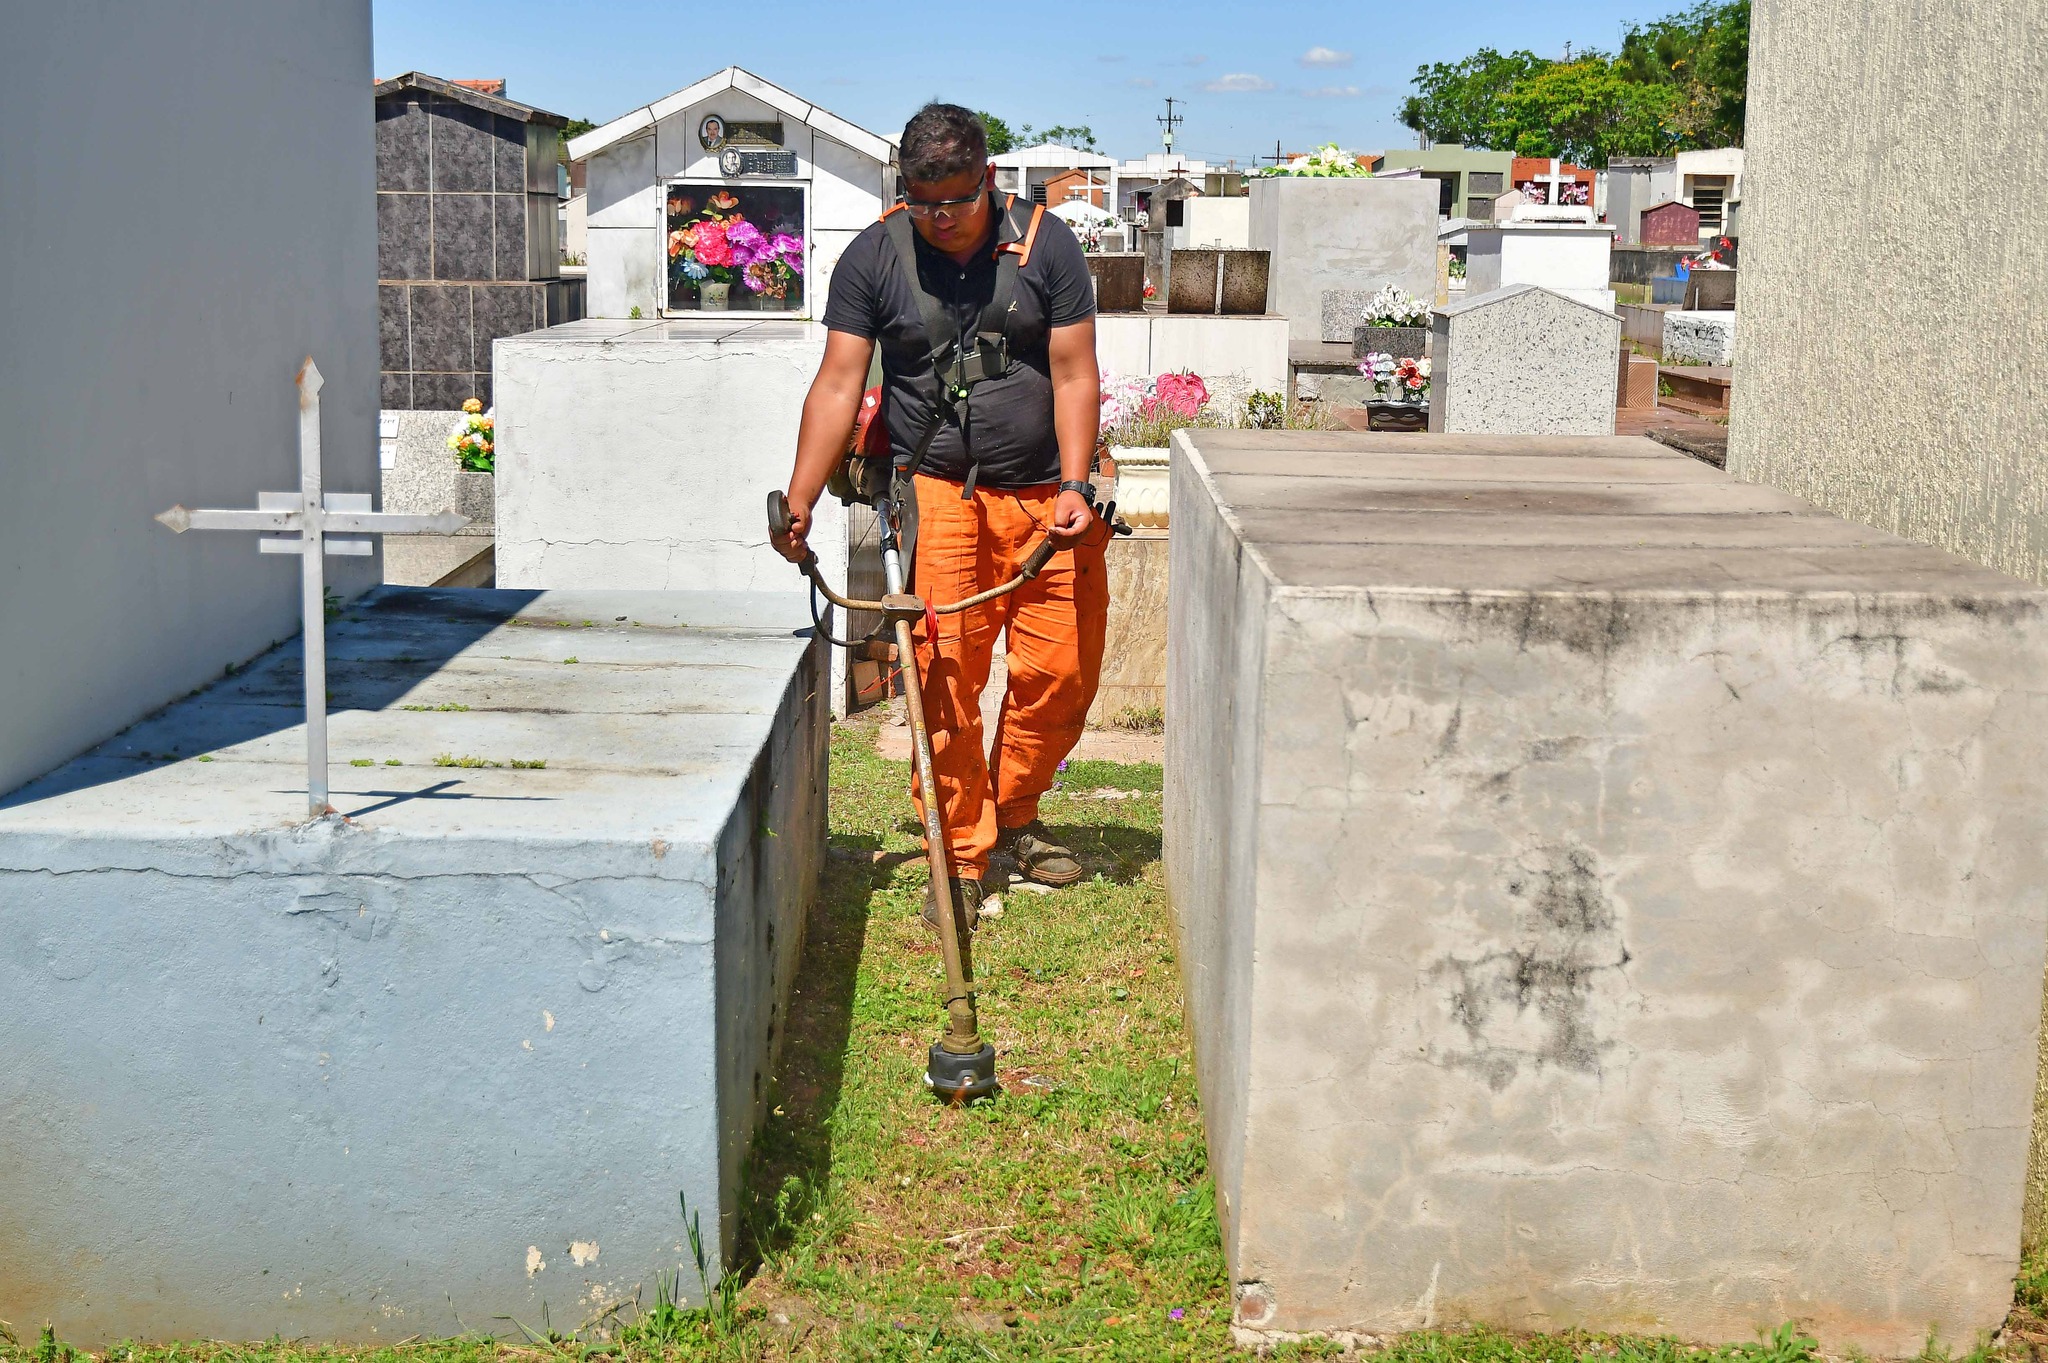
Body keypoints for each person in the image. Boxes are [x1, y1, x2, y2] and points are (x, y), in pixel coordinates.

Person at [769, 103, 1107, 929]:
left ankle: (1017, 812)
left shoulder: (1046, 247)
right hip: (937, 495)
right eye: (924, 204)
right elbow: (840, 383)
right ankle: (958, 854)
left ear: (987, 180)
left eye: (956, 201)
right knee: (944, 681)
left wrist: (1073, 483)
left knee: (1060, 674)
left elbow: (1073, 373)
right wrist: (801, 496)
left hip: (1046, 499)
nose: (942, 220)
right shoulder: (873, 258)